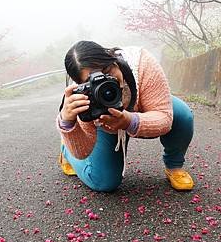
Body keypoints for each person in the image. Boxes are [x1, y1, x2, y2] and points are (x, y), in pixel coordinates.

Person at [56, 40, 194, 192]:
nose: (107, 82)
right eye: (92, 82)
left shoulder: (141, 63)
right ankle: (66, 152)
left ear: (112, 58)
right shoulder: (85, 97)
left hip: (141, 104)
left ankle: (174, 166)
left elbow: (164, 118)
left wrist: (128, 121)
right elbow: (83, 150)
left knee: (182, 115)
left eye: (107, 70)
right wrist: (68, 123)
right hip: (105, 123)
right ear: (81, 85)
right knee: (104, 182)